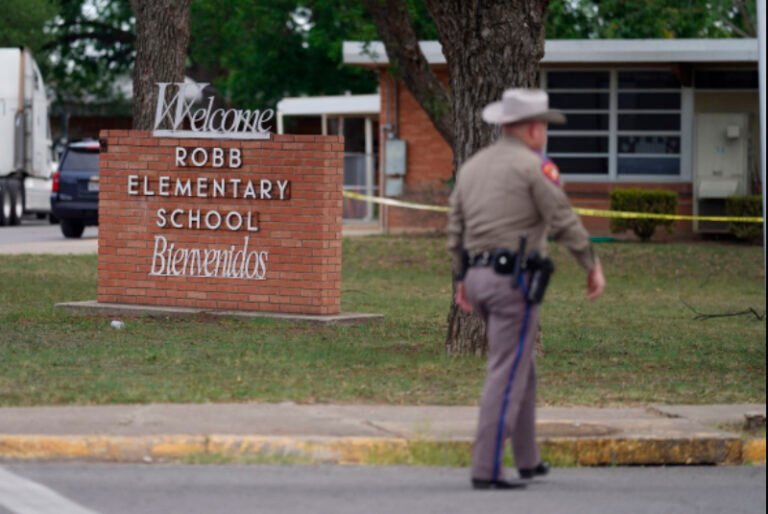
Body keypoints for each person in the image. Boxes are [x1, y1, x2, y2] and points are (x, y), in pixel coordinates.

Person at [447, 88, 605, 490]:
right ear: (534, 128)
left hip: (478, 279)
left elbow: (455, 229)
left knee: (521, 366)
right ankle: (486, 468)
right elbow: (562, 218)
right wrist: (591, 264)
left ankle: (528, 459)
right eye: (545, 127)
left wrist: (462, 279)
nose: (546, 134)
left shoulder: (472, 166)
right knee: (505, 371)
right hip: (511, 282)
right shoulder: (534, 167)